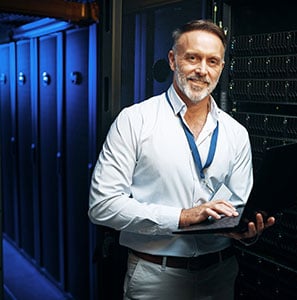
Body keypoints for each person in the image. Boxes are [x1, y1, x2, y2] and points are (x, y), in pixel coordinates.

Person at [88, 19, 275, 300]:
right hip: (156, 277)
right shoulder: (135, 121)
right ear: (174, 60)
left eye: (212, 61)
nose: (202, 70)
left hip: (220, 275)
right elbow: (102, 206)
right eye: (193, 58)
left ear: (221, 68)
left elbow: (237, 205)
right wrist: (182, 217)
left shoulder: (236, 133)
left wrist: (246, 231)